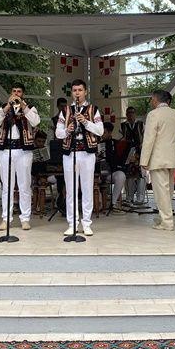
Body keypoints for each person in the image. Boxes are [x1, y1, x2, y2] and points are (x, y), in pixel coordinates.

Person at [55, 79, 104, 236]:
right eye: (75, 90)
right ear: (72, 92)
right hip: (70, 153)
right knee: (70, 190)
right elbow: (58, 133)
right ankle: (72, 223)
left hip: (87, 154)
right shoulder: (65, 111)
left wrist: (86, 122)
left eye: (80, 90)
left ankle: (87, 223)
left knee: (87, 188)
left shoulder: (93, 110)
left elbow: (100, 131)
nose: (77, 93)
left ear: (85, 92)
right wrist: (67, 130)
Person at [0, 83, 40, 231]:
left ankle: (25, 219)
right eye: (14, 91)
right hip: (6, 150)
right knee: (7, 187)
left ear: (23, 94)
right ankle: (6, 219)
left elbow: (36, 121)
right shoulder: (4, 108)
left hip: (23, 150)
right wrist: (7, 106)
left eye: (19, 91)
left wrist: (23, 106)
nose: (16, 93)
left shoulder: (30, 107)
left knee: (24, 186)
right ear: (10, 93)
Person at [140, 89, 175, 231]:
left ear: (155, 100)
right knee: (168, 190)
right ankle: (163, 217)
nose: (151, 102)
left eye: (152, 99)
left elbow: (149, 139)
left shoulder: (153, 115)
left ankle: (167, 222)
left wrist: (144, 160)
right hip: (172, 156)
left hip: (158, 158)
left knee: (161, 192)